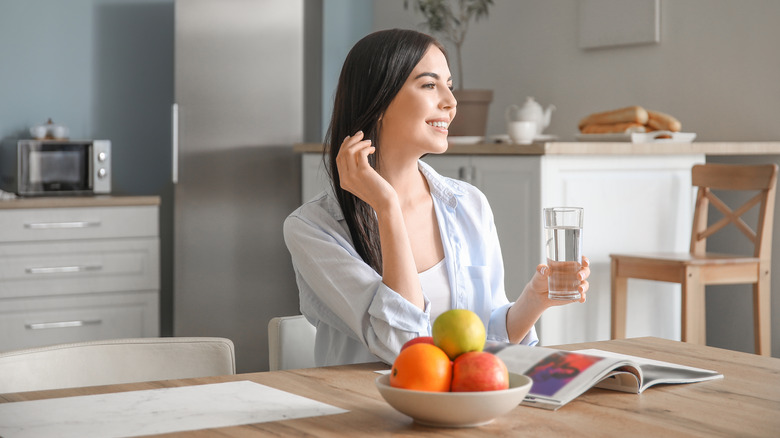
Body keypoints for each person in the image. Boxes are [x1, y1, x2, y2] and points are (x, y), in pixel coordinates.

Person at [283, 29, 589, 366]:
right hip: (366, 411)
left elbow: (482, 342)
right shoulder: (313, 228)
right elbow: (404, 347)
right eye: (430, 85)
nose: (451, 102)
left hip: (464, 408)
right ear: (378, 101)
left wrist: (534, 300)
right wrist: (388, 207)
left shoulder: (470, 204)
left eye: (449, 86)